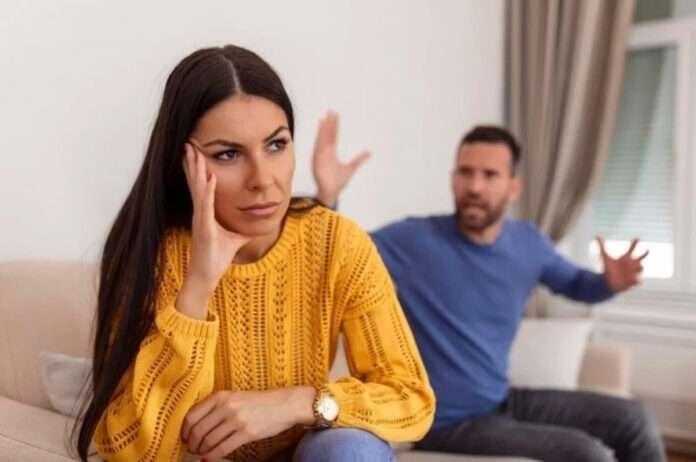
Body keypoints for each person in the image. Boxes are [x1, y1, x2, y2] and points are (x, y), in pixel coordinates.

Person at [74, 45, 435, 462]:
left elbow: (411, 398)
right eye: (228, 154)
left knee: (349, 448)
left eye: (276, 145)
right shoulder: (153, 256)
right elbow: (132, 449)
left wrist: (296, 403)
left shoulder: (337, 243)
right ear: (183, 162)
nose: (263, 180)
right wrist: (198, 286)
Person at [314, 119, 666, 462]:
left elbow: (577, 285)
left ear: (513, 188)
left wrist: (608, 283)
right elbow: (336, 255)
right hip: (444, 421)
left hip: (499, 401)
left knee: (634, 418)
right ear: (453, 179)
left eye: (490, 175)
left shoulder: (528, 243)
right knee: (588, 453)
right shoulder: (414, 240)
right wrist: (328, 198)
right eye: (465, 172)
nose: (475, 186)